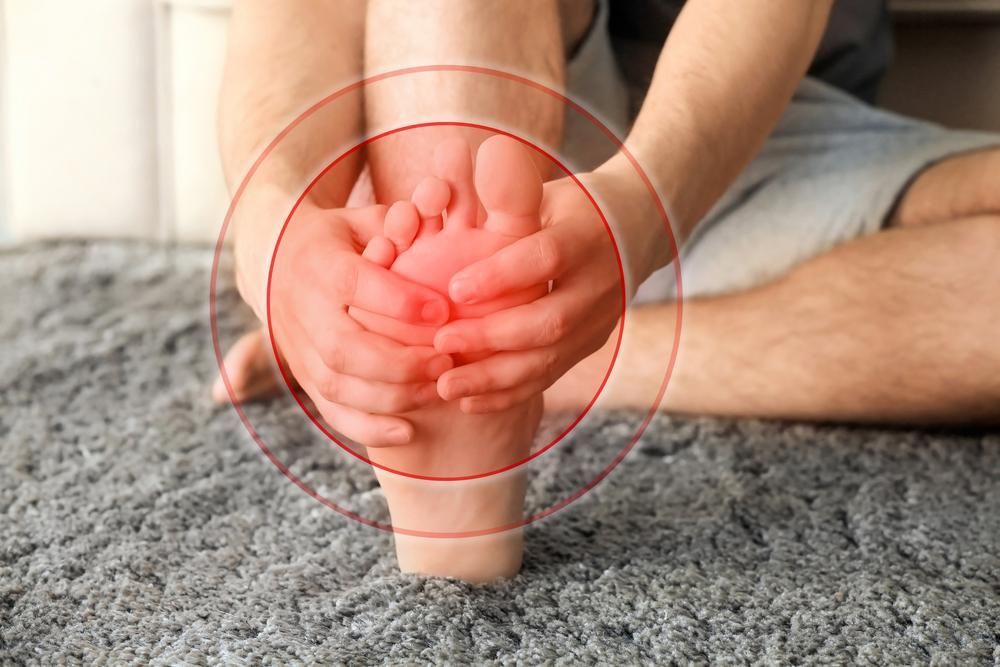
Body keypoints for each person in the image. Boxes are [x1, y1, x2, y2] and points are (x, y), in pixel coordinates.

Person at [214, 0, 1000, 581]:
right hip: (519, 117)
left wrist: (647, 205)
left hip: (761, 124)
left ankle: (521, 356)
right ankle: (469, 414)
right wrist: (270, 224)